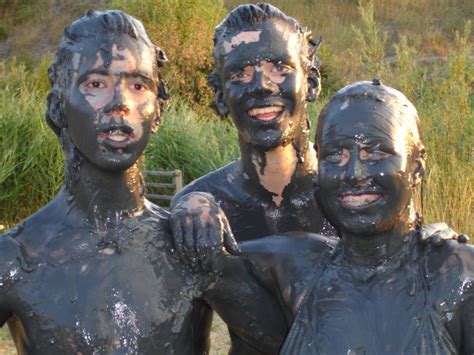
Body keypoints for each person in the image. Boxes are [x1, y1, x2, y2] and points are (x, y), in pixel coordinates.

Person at [170, 3, 465, 353]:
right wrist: (188, 206)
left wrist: (444, 247)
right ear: (220, 95)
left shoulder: (355, 190)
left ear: (310, 80)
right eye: (240, 73)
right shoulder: (204, 208)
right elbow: (187, 340)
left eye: (279, 67)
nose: (261, 86)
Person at [202, 80, 473, 354]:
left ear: (416, 166)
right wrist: (195, 204)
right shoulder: (295, 267)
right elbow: (200, 257)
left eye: (376, 153)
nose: (354, 174)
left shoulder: (457, 275)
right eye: (335, 155)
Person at [0, 10, 214, 354]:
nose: (120, 103)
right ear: (58, 107)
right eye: (96, 84)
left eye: (138, 85)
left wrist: (204, 200)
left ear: (157, 111)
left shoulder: (190, 246)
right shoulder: (16, 258)